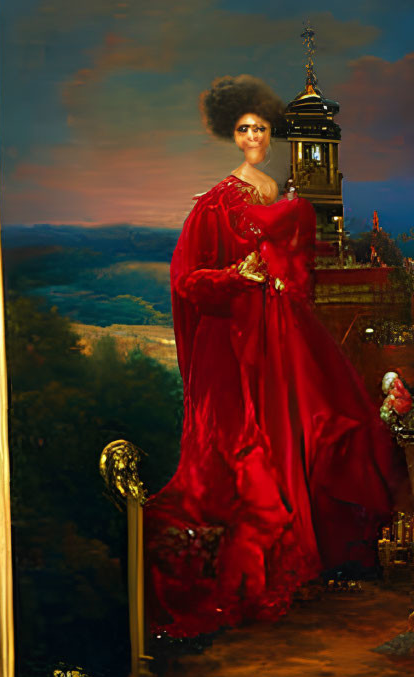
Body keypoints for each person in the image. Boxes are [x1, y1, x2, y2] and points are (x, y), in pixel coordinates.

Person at [146, 75, 397, 640]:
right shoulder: (216, 204)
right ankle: (250, 570)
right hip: (232, 346)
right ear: (233, 134)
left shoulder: (287, 201)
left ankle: (316, 551)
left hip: (282, 339)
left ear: (272, 135)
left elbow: (300, 273)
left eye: (262, 128)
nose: (254, 136)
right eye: (245, 128)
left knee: (319, 426)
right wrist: (238, 275)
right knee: (245, 457)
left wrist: (280, 279)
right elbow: (188, 281)